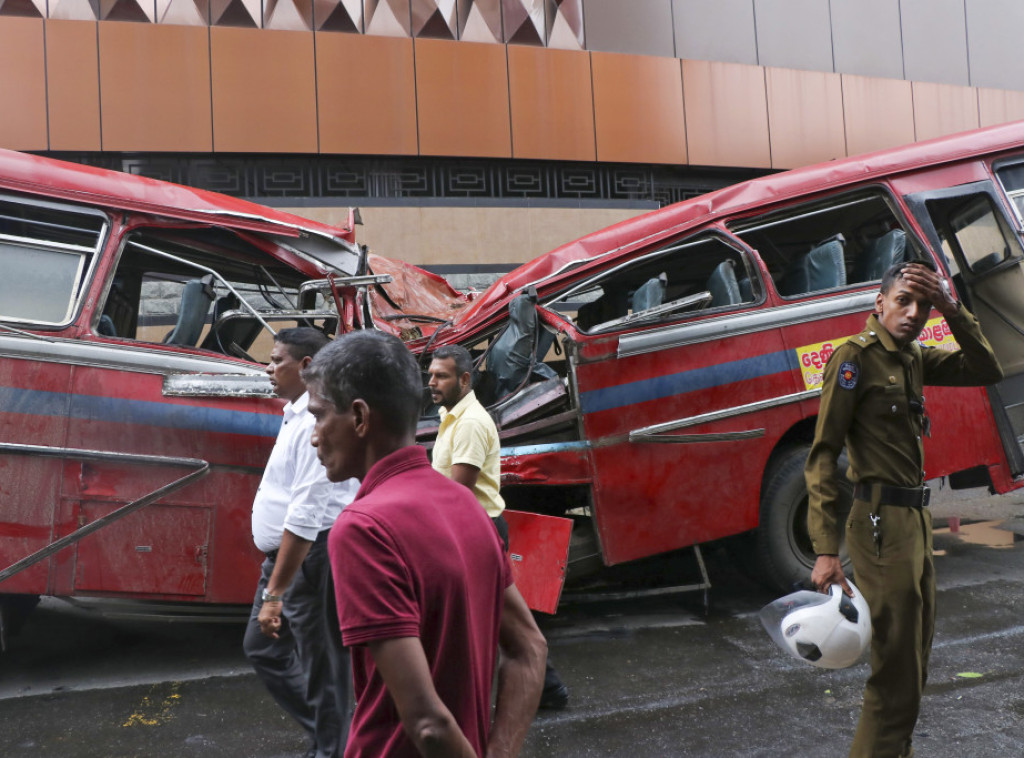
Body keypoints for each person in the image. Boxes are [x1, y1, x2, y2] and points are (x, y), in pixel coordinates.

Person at [304, 330, 547, 758]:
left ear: (360, 417)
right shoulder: (465, 503)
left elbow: (428, 724)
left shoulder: (363, 529)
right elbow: (530, 647)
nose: (314, 436)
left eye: (319, 416)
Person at [806, 261, 1003, 758]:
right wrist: (825, 550)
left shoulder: (912, 358)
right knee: (894, 672)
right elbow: (823, 455)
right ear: (879, 303)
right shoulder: (854, 359)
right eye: (903, 301)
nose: (913, 314)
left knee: (914, 665)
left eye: (923, 306)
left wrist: (951, 305)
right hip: (878, 525)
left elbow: (986, 367)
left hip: (914, 520)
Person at [427, 344, 570, 711]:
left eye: (441, 376)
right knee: (501, 620)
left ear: (464, 379)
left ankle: (540, 689)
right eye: (430, 375)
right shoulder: (452, 417)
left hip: (478, 530)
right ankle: (547, 688)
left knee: (485, 622)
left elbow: (459, 489)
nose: (432, 382)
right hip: (474, 529)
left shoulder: (471, 423)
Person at [243, 327, 359, 758]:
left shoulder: (316, 421)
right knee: (262, 649)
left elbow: (307, 513)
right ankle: (335, 740)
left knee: (323, 665)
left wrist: (275, 593)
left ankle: (333, 749)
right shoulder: (295, 412)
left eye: (277, 360)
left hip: (311, 557)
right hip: (287, 557)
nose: (268, 368)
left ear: (307, 365)